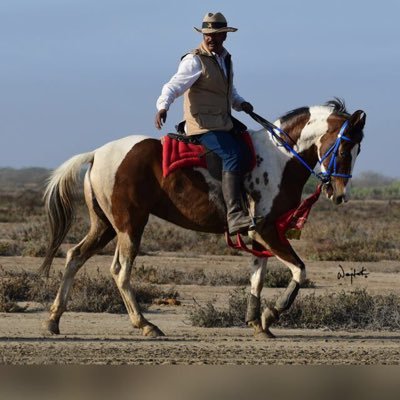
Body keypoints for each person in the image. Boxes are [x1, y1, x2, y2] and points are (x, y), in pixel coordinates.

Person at [155, 12, 254, 235]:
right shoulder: (194, 60)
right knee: (233, 155)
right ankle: (235, 214)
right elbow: (173, 86)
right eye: (207, 34)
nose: (210, 38)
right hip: (202, 125)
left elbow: (228, 92)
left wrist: (241, 103)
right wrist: (163, 106)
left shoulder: (225, 58)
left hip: (223, 122)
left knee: (248, 152)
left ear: (224, 36)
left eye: (215, 34)